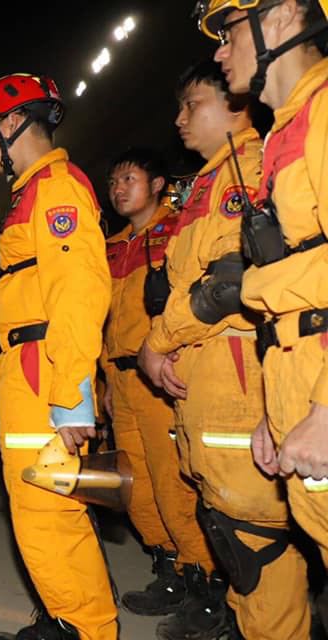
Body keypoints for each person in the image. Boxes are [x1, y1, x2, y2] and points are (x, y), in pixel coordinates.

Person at [138, 59, 309, 640]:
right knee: (232, 534)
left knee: (255, 541)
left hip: (237, 382)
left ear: (235, 105)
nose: (180, 118)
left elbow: (228, 284)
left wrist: (157, 341)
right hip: (207, 382)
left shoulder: (244, 173)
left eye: (194, 104)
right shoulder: (209, 183)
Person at [0, 73, 116, 640]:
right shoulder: (31, 192)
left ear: (11, 123)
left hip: (42, 370)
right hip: (27, 369)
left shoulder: (55, 188)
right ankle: (66, 619)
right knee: (42, 510)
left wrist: (71, 395)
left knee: (48, 510)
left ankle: (86, 629)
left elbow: (79, 292)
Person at [197, 0, 328, 634]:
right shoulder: (290, 128)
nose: (220, 52)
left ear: (281, 18)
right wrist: (279, 415)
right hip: (294, 377)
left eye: (226, 32)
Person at [102, 148, 216, 618]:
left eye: (128, 178)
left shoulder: (179, 230)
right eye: (113, 181)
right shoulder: (111, 246)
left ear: (156, 184)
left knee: (174, 482)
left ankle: (204, 582)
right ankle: (168, 567)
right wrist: (101, 381)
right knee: (135, 485)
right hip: (120, 379)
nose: (119, 188)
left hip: (161, 376)